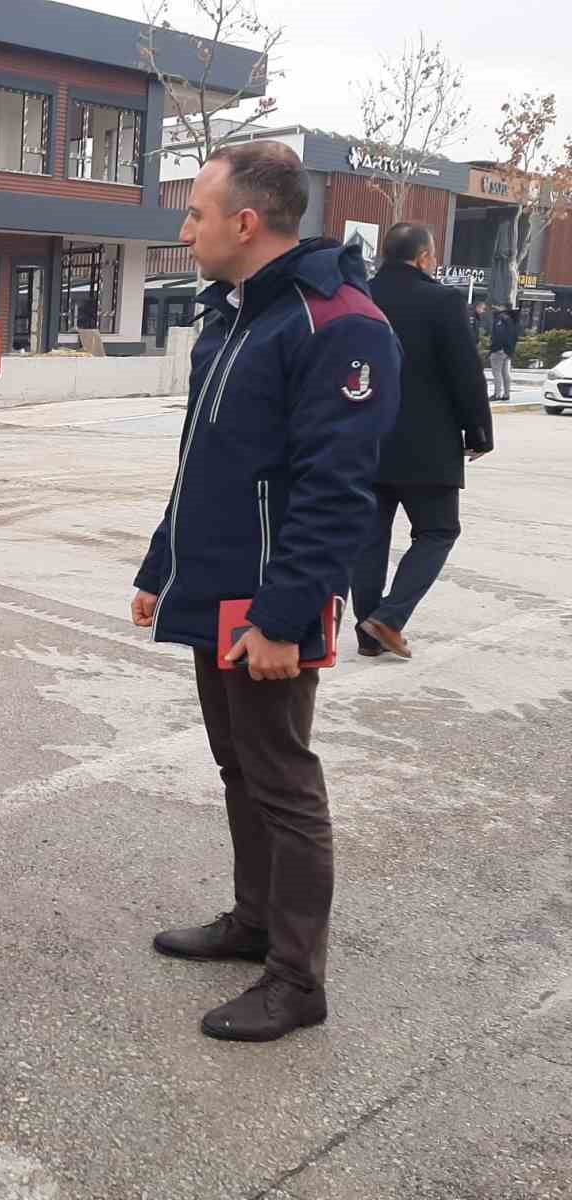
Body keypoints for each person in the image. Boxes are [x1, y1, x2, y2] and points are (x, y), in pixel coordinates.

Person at [131, 142, 400, 1041]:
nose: (186, 229)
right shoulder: (239, 316)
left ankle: (297, 979)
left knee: (283, 782)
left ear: (245, 223)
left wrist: (285, 618)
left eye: (196, 214)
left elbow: (337, 492)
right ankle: (253, 922)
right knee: (238, 767)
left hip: (269, 605)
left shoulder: (339, 324)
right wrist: (159, 567)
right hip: (215, 591)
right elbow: (205, 464)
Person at [352, 224, 492, 659]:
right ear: (425, 257)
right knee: (438, 531)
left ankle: (368, 636)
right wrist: (478, 430)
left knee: (370, 537)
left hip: (364, 438)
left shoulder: (358, 299)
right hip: (428, 443)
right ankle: (389, 619)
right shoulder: (443, 300)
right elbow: (464, 371)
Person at [488, 306, 518, 400]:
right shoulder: (512, 320)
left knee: (497, 373)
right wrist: (510, 350)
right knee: (505, 373)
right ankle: (506, 394)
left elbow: (499, 335)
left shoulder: (500, 319)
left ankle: (497, 394)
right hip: (508, 350)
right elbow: (515, 336)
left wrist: (496, 348)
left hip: (499, 350)